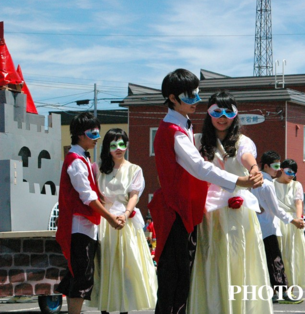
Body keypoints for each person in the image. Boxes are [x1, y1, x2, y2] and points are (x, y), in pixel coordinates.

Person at [148, 70, 263, 314]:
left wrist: (252, 171)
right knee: (177, 277)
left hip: (195, 212)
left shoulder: (184, 128)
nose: (196, 100)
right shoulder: (177, 131)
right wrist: (239, 181)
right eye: (189, 96)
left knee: (187, 276)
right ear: (172, 98)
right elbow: (200, 168)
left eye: (198, 94)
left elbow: (246, 154)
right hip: (181, 212)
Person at [187, 91, 272, 313]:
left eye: (228, 112)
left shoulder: (243, 141)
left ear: (235, 115)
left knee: (238, 260)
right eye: (217, 111)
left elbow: (246, 157)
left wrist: (254, 170)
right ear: (208, 113)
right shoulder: (196, 140)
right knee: (211, 260)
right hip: (207, 212)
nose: (222, 116)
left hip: (237, 212)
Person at [56, 113, 124, 314]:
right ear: (79, 134)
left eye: (98, 132)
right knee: (82, 276)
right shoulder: (76, 160)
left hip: (85, 225)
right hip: (79, 226)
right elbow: (87, 196)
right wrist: (110, 217)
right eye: (92, 133)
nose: (97, 137)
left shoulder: (83, 158)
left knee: (79, 274)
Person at [89, 128, 157, 313]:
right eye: (113, 144)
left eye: (122, 144)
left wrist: (126, 214)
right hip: (103, 221)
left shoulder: (135, 169)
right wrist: (108, 215)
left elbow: (134, 195)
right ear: (107, 147)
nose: (118, 148)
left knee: (127, 268)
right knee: (104, 266)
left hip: (126, 222)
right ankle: (104, 307)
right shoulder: (96, 168)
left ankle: (124, 308)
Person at [252, 150, 305, 304]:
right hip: (268, 227)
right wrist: (293, 220)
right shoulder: (267, 185)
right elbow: (276, 210)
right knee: (275, 260)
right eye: (276, 166)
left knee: (264, 261)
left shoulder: (254, 181)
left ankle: (273, 292)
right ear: (267, 166)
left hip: (256, 227)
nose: (278, 169)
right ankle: (282, 292)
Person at [274, 159, 305, 290]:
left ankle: (291, 287)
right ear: (281, 169)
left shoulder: (296, 185)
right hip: (276, 221)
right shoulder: (272, 184)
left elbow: (298, 202)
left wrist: (298, 219)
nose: (291, 175)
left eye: (293, 173)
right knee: (277, 255)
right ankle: (276, 287)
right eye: (289, 171)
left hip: (292, 223)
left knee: (291, 255)